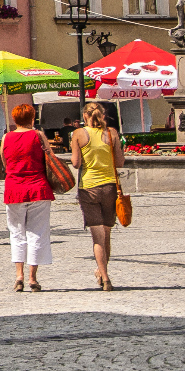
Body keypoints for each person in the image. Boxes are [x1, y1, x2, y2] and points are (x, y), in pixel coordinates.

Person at [3, 102, 54, 292]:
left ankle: (19, 276)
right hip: (38, 188)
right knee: (37, 232)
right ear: (32, 118)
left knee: (16, 233)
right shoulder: (38, 135)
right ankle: (33, 277)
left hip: (14, 189)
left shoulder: (7, 137)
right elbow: (50, 158)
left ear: (15, 119)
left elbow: (5, 161)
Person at [71, 102, 122, 290]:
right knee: (106, 234)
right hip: (110, 187)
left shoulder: (78, 134)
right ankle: (102, 272)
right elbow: (121, 161)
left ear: (85, 116)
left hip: (89, 187)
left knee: (97, 237)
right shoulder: (112, 133)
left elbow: (76, 163)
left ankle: (106, 278)